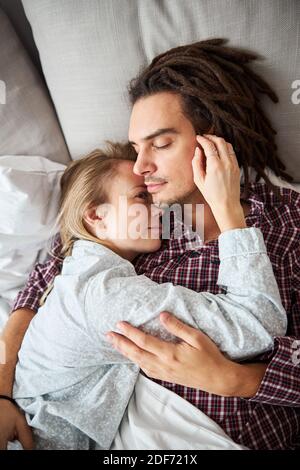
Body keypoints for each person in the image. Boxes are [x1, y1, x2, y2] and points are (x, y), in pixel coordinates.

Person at [0, 39, 299, 450]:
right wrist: (2, 391)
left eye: (160, 144)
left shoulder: (289, 219)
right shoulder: (128, 221)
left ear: (213, 138)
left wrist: (238, 380)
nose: (142, 166)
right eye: (138, 147)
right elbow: (36, 292)